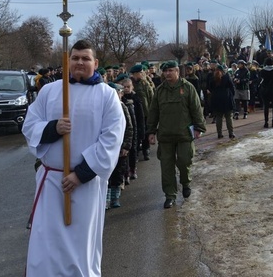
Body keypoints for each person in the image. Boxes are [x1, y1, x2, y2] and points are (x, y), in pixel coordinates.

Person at [22, 39, 125, 277]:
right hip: (51, 182)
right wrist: (52, 128)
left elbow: (112, 140)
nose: (80, 62)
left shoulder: (107, 96)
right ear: (68, 61)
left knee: (79, 245)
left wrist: (81, 174)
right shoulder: (50, 91)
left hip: (84, 185)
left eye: (85, 58)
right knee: (46, 243)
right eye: (75, 58)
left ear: (95, 63)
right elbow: (30, 125)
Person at [146, 60, 206, 209]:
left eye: (170, 71)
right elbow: (153, 112)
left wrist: (199, 127)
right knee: (166, 167)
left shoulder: (187, 88)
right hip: (166, 135)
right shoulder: (160, 91)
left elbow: (196, 108)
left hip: (184, 134)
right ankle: (170, 195)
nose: (167, 74)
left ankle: (186, 182)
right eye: (165, 71)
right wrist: (151, 131)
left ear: (177, 72)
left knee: (185, 161)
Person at [207, 64, 235, 139]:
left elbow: (210, 88)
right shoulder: (226, 77)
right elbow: (232, 87)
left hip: (216, 99)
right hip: (227, 99)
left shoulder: (212, 78)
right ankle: (231, 133)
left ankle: (219, 133)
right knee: (228, 117)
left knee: (219, 117)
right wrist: (232, 95)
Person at [259, 58, 273, 128]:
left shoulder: (262, 71)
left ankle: (266, 122)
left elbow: (260, 78)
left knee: (266, 106)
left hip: (265, 90)